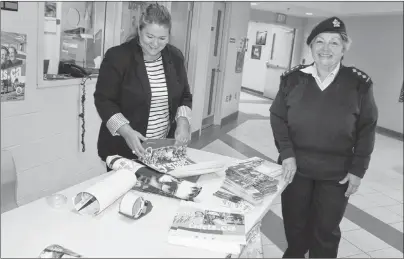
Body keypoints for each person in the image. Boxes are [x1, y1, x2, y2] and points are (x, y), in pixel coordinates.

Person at [269, 17, 378, 258]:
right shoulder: (292, 79)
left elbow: (367, 128)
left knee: (326, 231)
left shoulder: (358, 84)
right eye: (319, 41)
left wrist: (358, 170)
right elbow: (277, 116)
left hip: (336, 174)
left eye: (334, 43)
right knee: (295, 226)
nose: (325, 48)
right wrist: (286, 154)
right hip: (295, 167)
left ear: (343, 49)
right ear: (311, 46)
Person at [94, 3, 192, 167]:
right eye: (149, 36)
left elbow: (184, 96)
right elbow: (103, 101)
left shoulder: (175, 57)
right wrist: (126, 132)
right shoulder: (118, 57)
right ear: (139, 30)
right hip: (124, 150)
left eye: (162, 38)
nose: (155, 44)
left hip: (161, 150)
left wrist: (183, 122)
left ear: (169, 35)